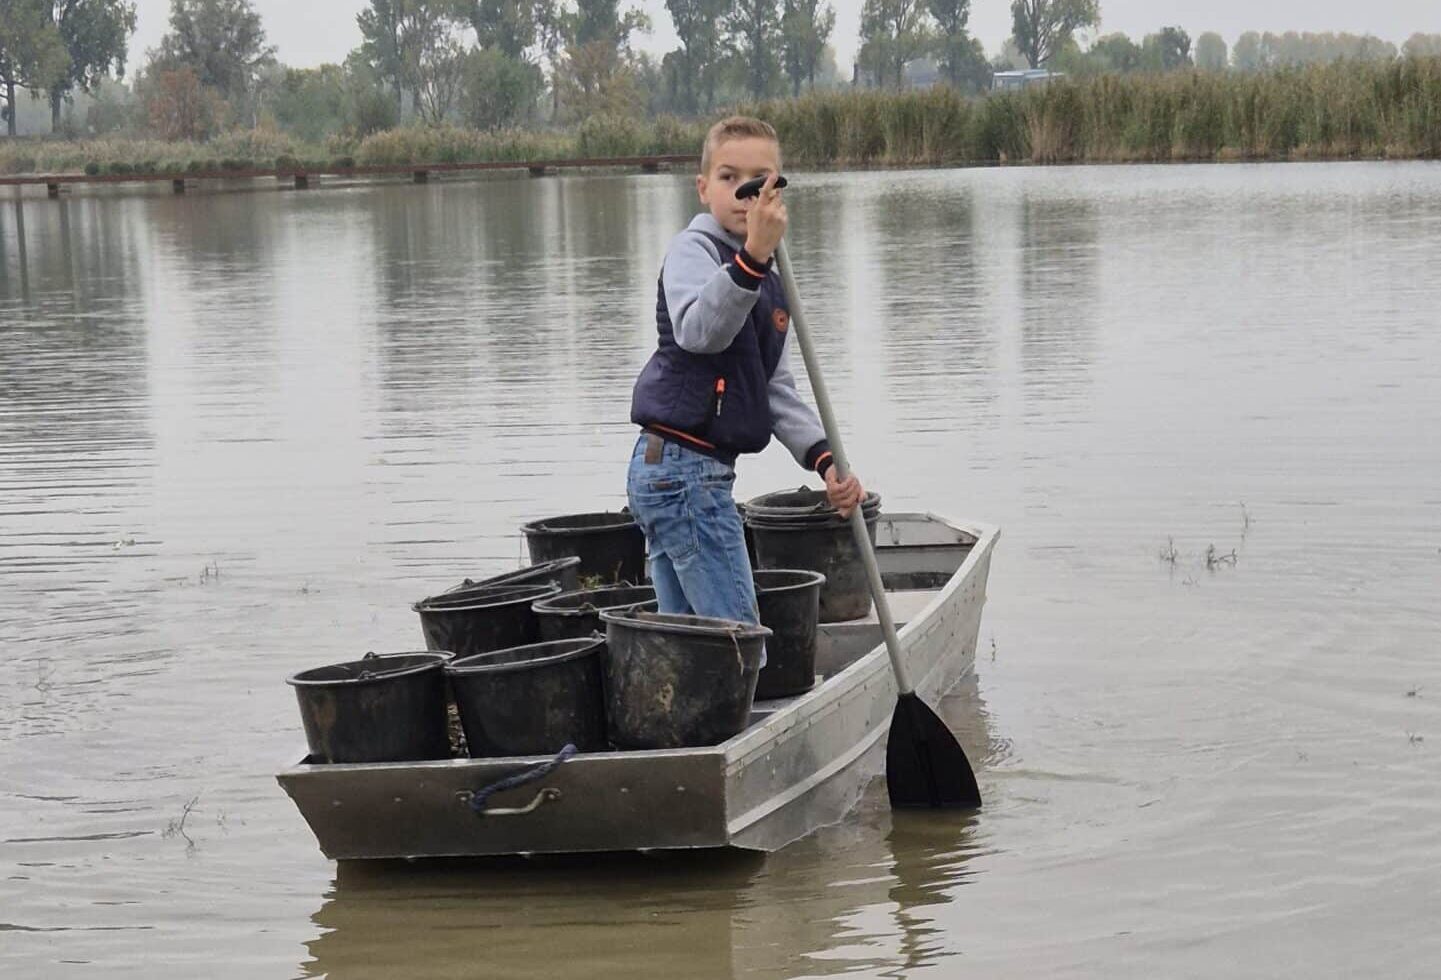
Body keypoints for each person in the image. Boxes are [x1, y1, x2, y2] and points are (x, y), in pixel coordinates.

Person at [626, 115, 864, 625]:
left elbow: (775, 388)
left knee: (687, 636)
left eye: (760, 181)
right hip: (679, 471)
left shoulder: (769, 276)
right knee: (736, 635)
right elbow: (697, 331)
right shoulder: (695, 250)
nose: (744, 193)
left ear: (777, 191)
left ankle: (688, 703)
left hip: (694, 474)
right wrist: (753, 258)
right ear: (703, 186)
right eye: (730, 178)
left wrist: (825, 461)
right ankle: (738, 702)